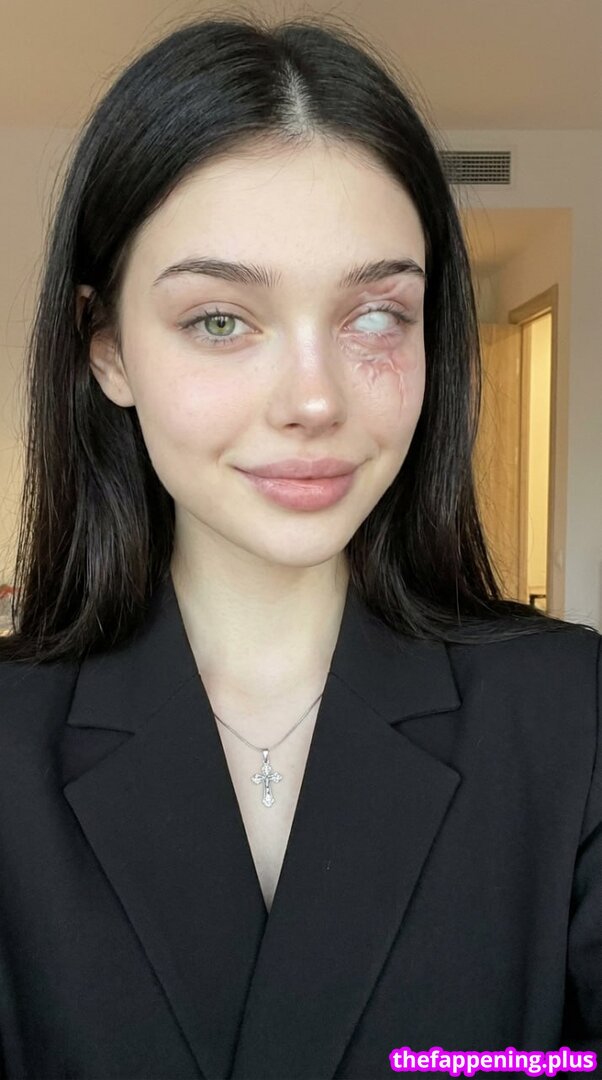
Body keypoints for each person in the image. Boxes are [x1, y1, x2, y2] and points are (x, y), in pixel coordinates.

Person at [0, 12, 600, 1080]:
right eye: (219, 321)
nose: (314, 401)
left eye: (375, 315)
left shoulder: (571, 719)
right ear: (107, 348)